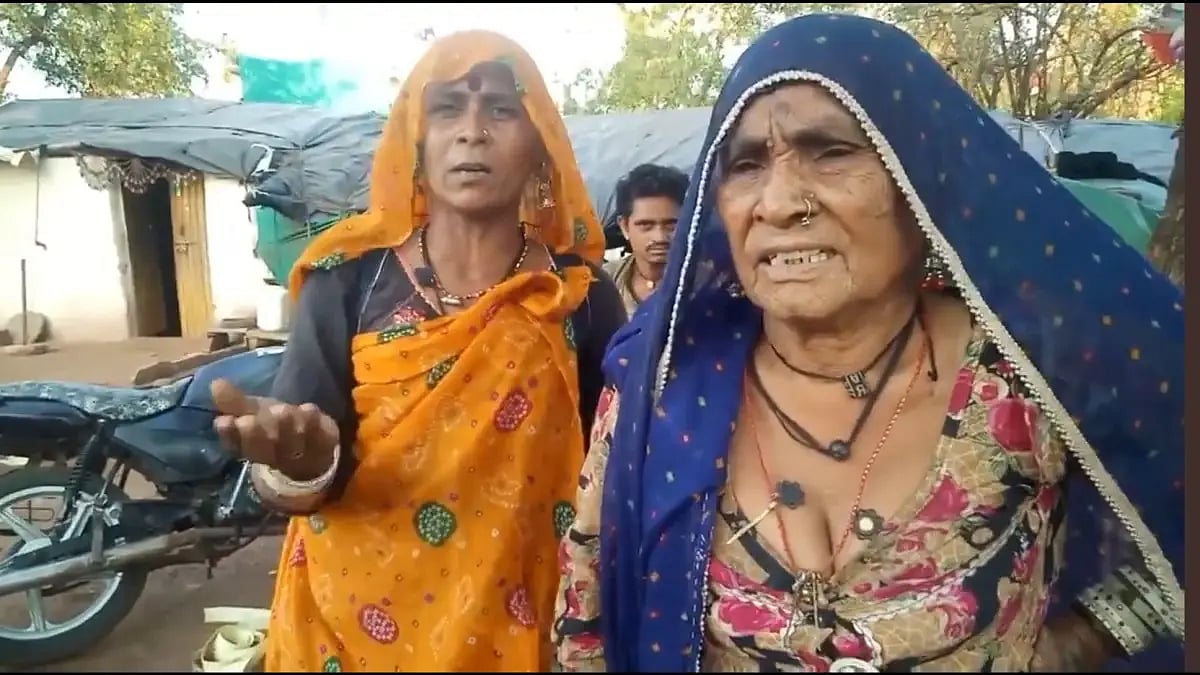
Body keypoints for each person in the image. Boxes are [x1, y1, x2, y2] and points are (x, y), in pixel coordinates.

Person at [553, 14, 1183, 673]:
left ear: (923, 180)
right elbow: (587, 626)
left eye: (830, 151)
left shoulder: (1027, 368)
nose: (779, 201)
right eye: (745, 163)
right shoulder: (659, 391)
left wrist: (1076, 641)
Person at [209, 30, 626, 672]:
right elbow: (300, 467)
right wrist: (303, 464)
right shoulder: (346, 281)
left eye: (501, 109)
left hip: (519, 624)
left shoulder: (578, 295)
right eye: (447, 108)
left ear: (540, 142)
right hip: (349, 627)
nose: (472, 132)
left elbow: (609, 475)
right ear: (417, 138)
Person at [603, 163, 690, 315]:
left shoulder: (710, 283)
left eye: (671, 225)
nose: (660, 237)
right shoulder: (605, 283)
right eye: (646, 225)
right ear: (624, 226)